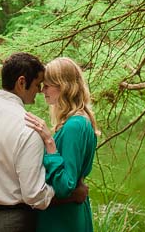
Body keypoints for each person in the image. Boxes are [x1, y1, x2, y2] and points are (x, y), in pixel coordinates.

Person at [0, 52, 87, 232]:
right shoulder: (28, 126)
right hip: (12, 223)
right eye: (37, 84)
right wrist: (72, 196)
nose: (39, 90)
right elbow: (34, 196)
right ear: (21, 82)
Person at [24, 57, 100, 232]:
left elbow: (66, 185)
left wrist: (49, 142)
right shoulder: (80, 121)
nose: (43, 90)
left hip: (62, 220)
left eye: (48, 85)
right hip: (69, 215)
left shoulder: (74, 125)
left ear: (63, 86)